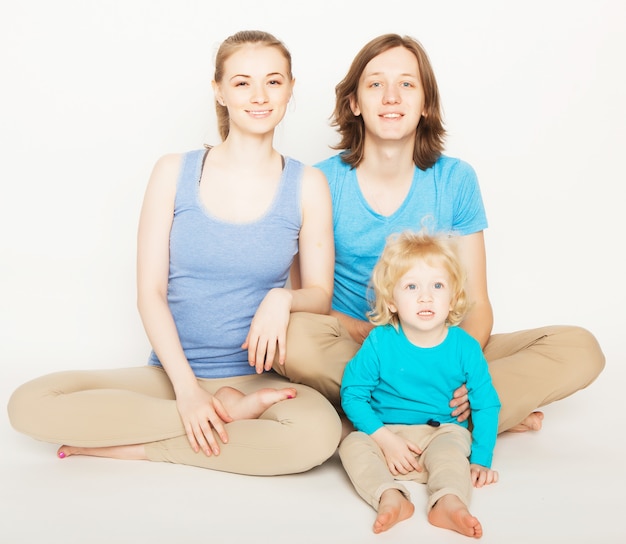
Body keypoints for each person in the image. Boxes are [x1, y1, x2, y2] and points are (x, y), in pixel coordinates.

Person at [7, 30, 342, 475]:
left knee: (316, 435)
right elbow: (150, 293)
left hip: (259, 379)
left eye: (274, 81)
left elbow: (319, 294)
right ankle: (226, 420)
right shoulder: (172, 172)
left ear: (290, 89)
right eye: (242, 82)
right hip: (171, 377)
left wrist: (283, 298)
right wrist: (188, 393)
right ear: (218, 91)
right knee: (27, 404)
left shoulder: (307, 184)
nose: (259, 96)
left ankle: (137, 446)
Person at [276, 33, 605, 434]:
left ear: (426, 104)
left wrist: (455, 360)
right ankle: (472, 415)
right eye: (376, 84)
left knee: (580, 348)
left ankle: (402, 413)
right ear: (354, 103)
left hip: (442, 345)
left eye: (407, 84)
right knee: (292, 339)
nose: (391, 97)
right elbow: (313, 302)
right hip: (358, 349)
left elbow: (479, 304)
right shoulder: (319, 182)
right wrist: (387, 337)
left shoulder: (456, 179)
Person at [339, 230, 500, 538]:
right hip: (387, 433)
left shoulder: (465, 347)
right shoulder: (380, 342)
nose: (426, 297)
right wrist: (385, 439)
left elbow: (486, 403)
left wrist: (482, 458)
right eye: (411, 286)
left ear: (452, 297)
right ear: (392, 300)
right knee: (353, 445)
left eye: (437, 286)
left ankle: (449, 502)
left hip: (440, 433)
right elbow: (353, 394)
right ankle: (390, 496)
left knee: (452, 453)